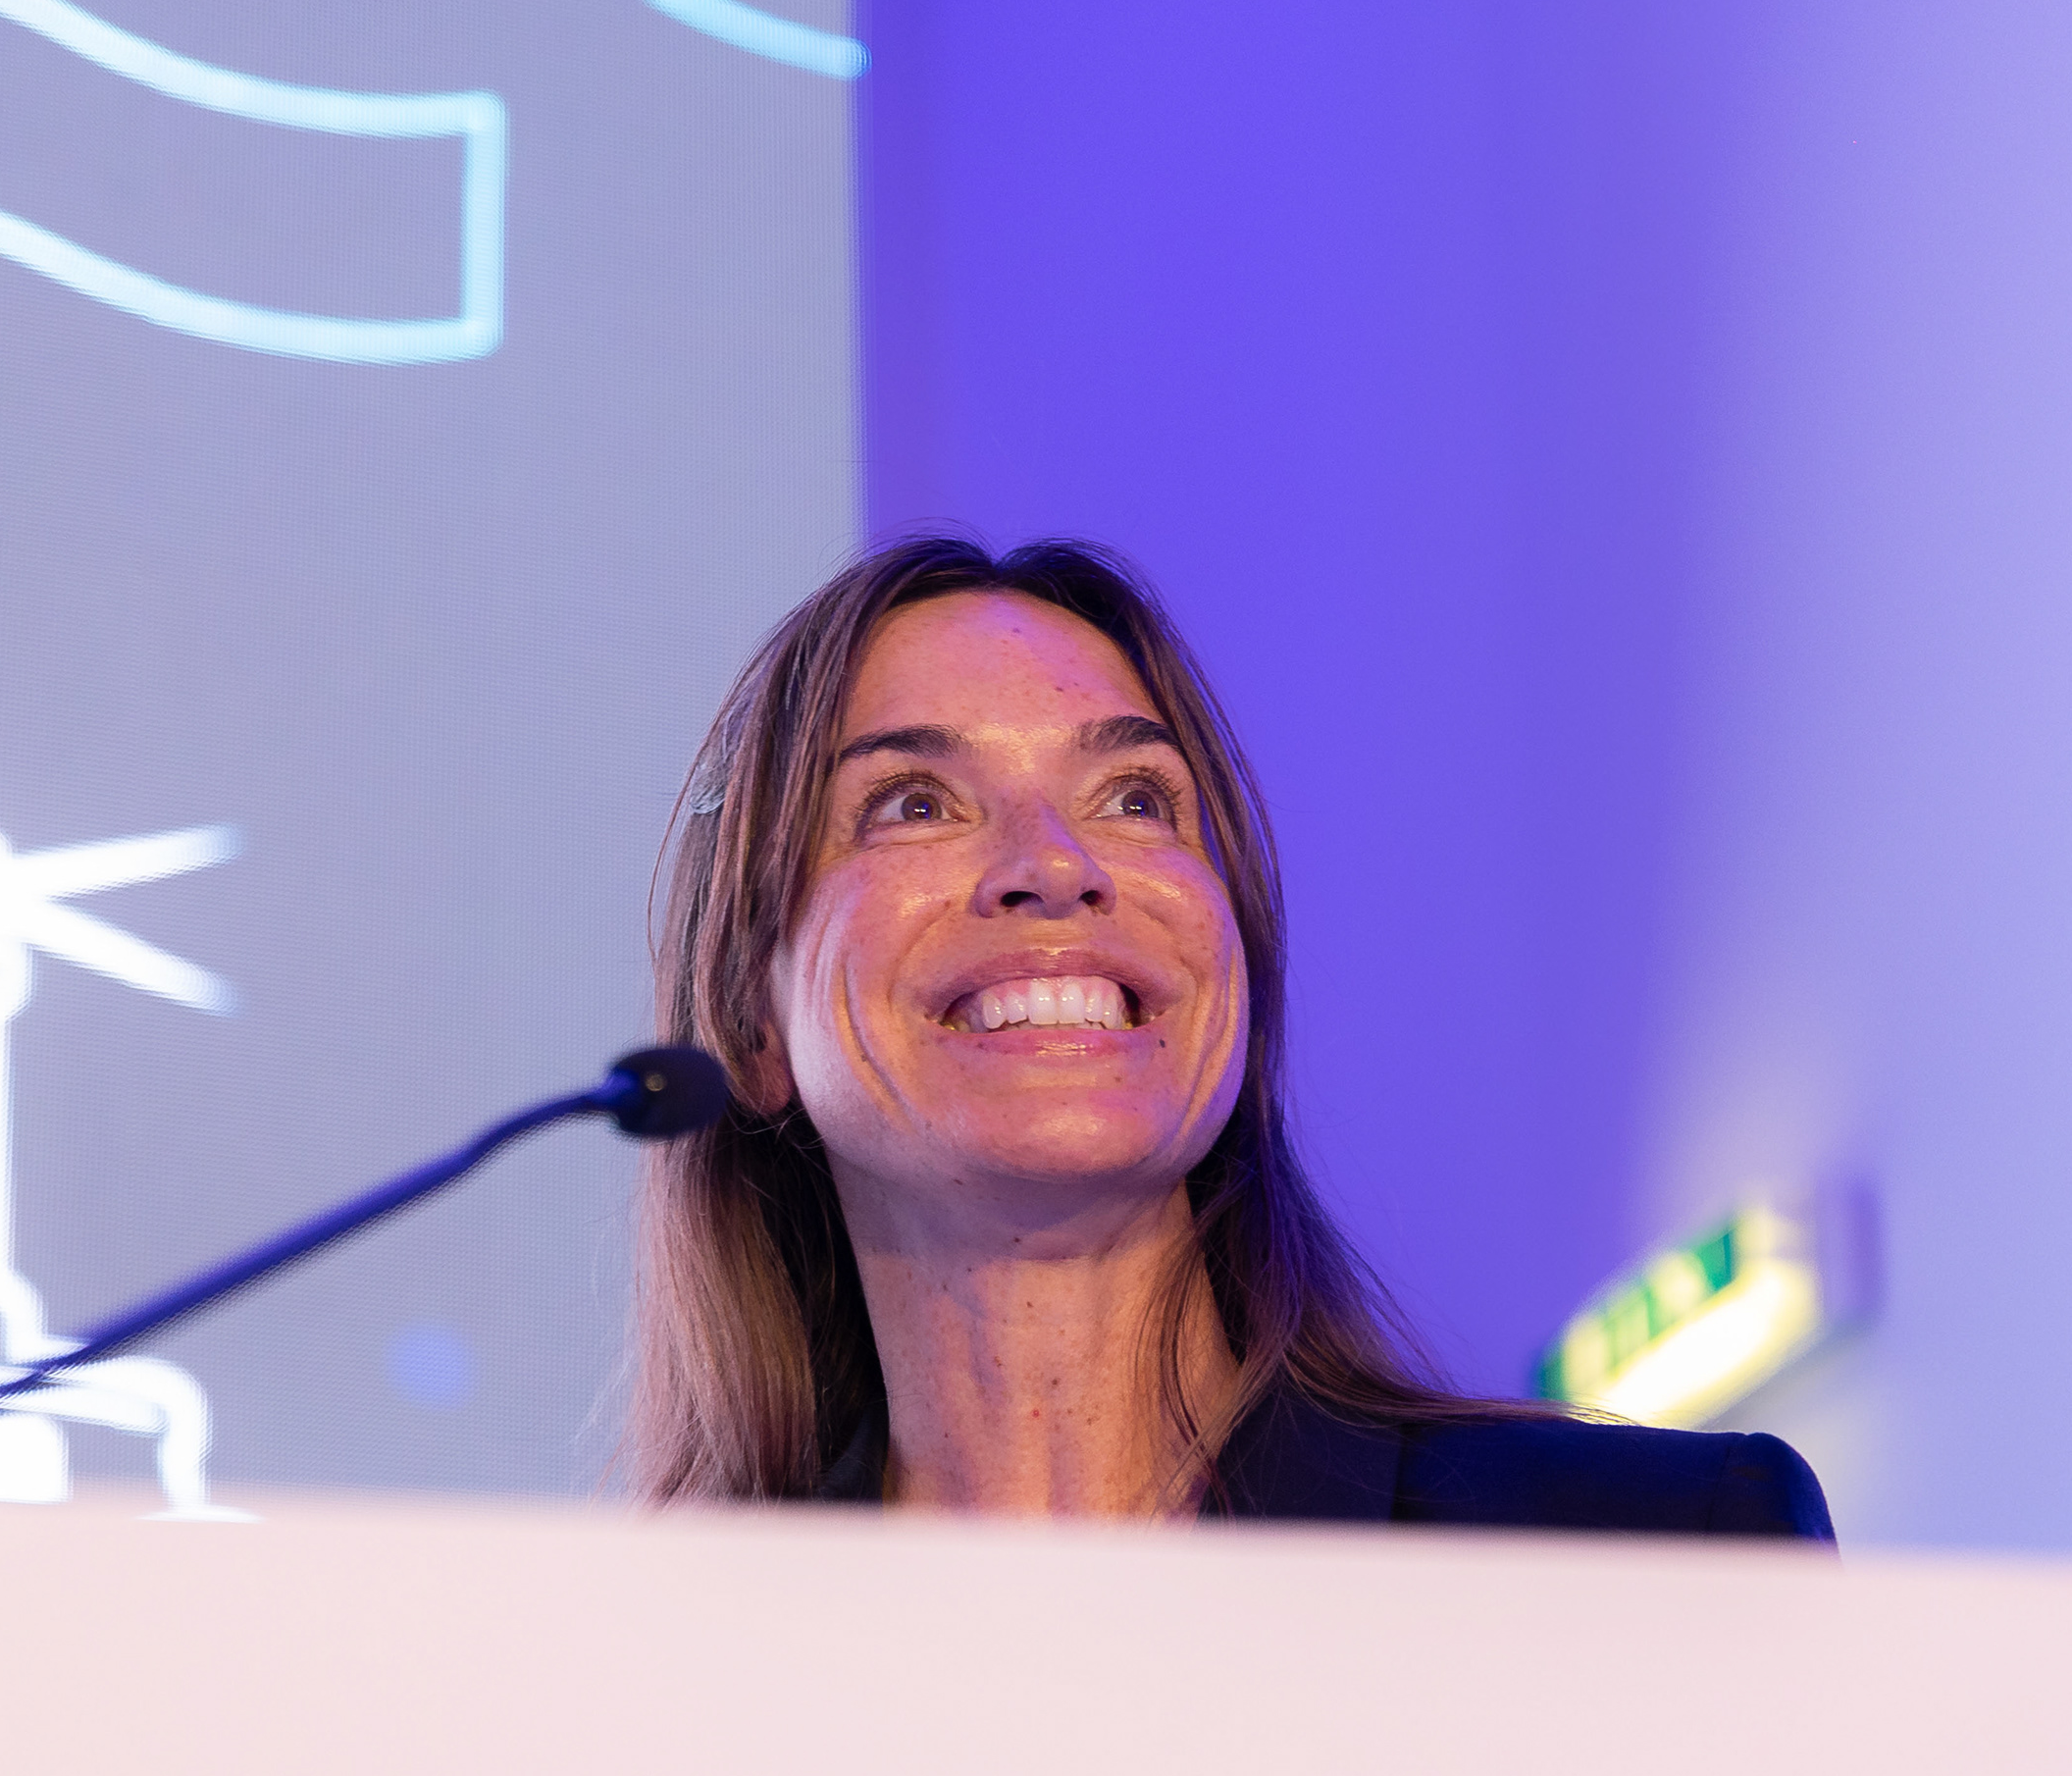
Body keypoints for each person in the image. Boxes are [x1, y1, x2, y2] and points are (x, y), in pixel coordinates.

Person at [627, 535, 1832, 1540]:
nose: (1056, 864)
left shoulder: (1654, 1557)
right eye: (914, 804)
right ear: (750, 1025)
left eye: (1136, 799)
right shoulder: (656, 1682)